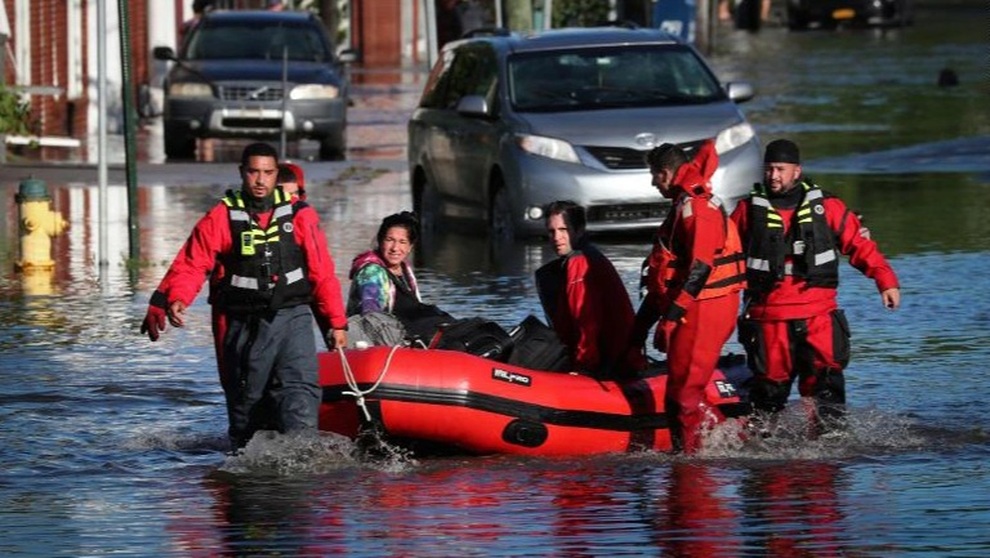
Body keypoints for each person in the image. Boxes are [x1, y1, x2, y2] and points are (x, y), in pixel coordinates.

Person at [140, 142, 348, 449]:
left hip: (293, 317)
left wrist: (336, 322)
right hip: (243, 323)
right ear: (242, 173)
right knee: (248, 404)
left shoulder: (301, 216)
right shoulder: (221, 217)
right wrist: (178, 298)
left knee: (300, 391)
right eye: (253, 172)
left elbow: (322, 271)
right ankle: (249, 471)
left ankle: (303, 464)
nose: (260, 180)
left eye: (267, 173)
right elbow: (193, 262)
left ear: (276, 174)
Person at [730, 139, 900, 432]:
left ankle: (830, 451)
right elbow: (722, 255)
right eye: (769, 169)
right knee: (768, 393)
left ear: (797, 171)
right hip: (769, 317)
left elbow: (859, 245)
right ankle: (764, 457)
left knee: (827, 389)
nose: (774, 176)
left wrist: (885, 281)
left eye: (781, 169)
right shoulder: (747, 211)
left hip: (818, 314)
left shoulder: (828, 207)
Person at [632, 140, 746, 454]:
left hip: (704, 307)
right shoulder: (684, 204)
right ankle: (727, 443)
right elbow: (669, 274)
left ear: (666, 173)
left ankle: (692, 464)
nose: (653, 183)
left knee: (683, 396)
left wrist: (670, 319)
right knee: (683, 392)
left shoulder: (695, 208)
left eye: (654, 175)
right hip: (696, 306)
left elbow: (701, 268)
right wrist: (641, 327)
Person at [534, 200, 645, 379]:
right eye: (551, 231)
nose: (556, 238)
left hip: (611, 365)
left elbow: (586, 321)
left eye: (564, 230)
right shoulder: (585, 258)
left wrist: (584, 367)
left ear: (579, 230)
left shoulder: (580, 263)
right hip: (615, 358)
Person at [346, 211, 450, 344]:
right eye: (390, 240)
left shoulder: (405, 271)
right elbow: (371, 318)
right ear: (380, 241)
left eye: (402, 242)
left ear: (410, 247)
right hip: (378, 342)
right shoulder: (371, 273)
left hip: (408, 336)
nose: (395, 248)